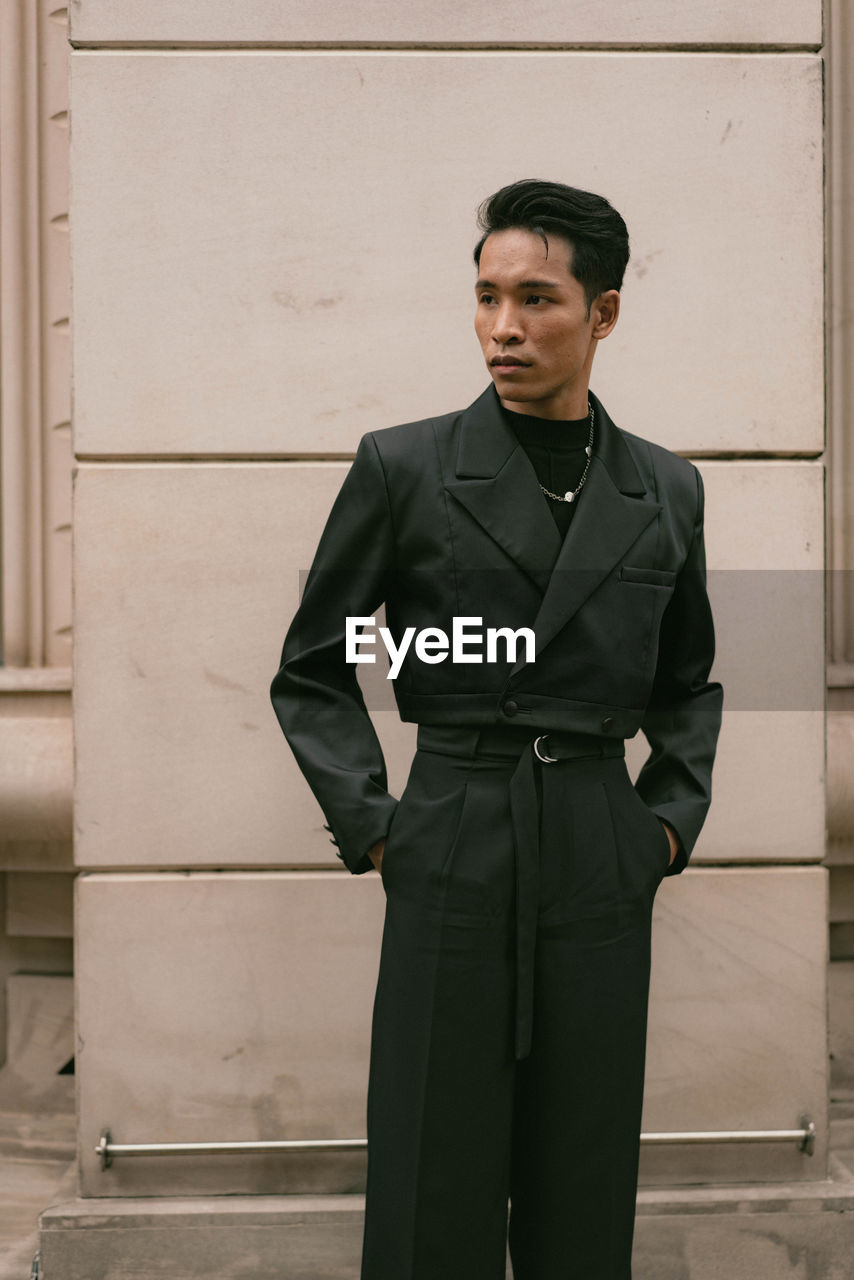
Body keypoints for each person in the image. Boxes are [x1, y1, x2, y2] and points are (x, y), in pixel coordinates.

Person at [270, 178, 722, 1280]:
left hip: (594, 840)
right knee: (435, 1156)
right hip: (452, 830)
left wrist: (659, 824)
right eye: (484, 297)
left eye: (534, 297)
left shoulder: (665, 488)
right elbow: (312, 669)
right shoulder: (404, 466)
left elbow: (689, 679)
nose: (502, 327)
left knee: (584, 1160)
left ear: (601, 314)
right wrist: (382, 829)